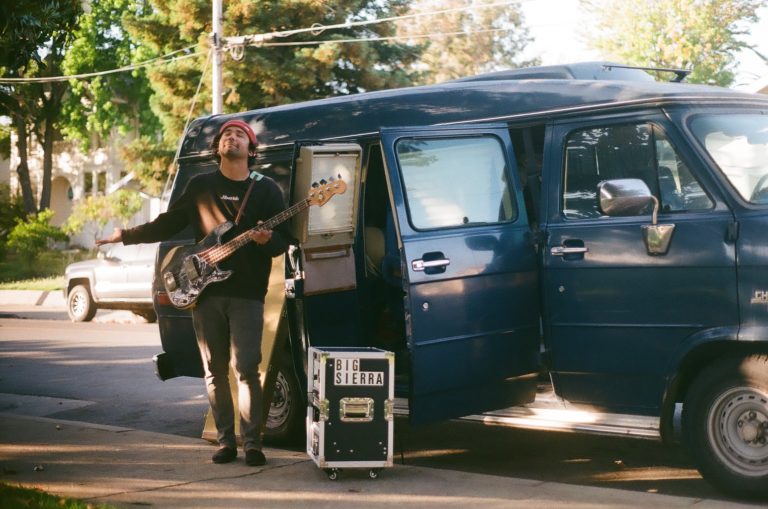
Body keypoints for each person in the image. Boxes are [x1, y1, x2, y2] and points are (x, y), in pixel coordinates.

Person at [97, 119, 288, 466]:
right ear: (217, 147)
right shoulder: (201, 186)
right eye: (226, 134)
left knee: (247, 367)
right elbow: (167, 224)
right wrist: (125, 235)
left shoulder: (266, 191)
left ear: (251, 149)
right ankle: (226, 442)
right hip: (205, 292)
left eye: (240, 135)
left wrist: (267, 239)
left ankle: (253, 444)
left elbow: (282, 243)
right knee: (214, 370)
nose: (232, 138)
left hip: (247, 293)